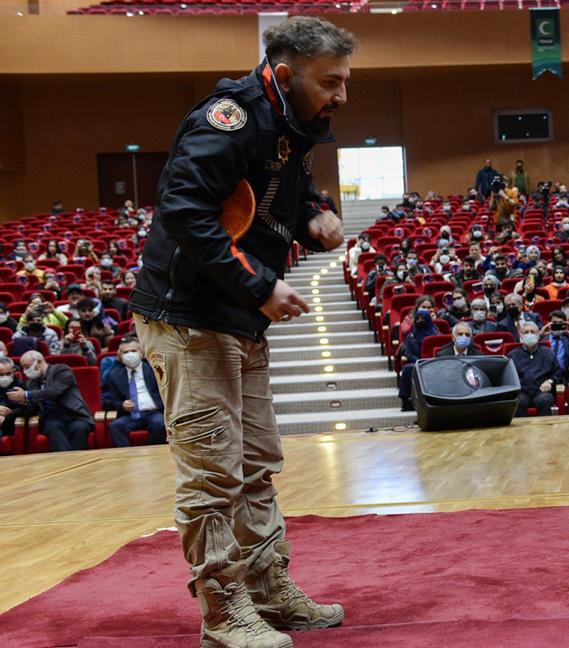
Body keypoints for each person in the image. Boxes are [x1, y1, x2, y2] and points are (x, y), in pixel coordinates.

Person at [128, 17, 353, 645]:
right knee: (211, 474)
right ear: (284, 74)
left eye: (344, 81)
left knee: (256, 464)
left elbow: (288, 192)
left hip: (239, 320)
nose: (341, 96)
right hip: (190, 318)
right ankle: (224, 614)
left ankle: (268, 588)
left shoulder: (294, 125)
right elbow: (183, 210)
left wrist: (316, 215)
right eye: (330, 82)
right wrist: (260, 285)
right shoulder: (230, 116)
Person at [10, 351, 94, 451]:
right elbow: (32, 409)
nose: (24, 371)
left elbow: (54, 391)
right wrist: (24, 401)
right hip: (51, 417)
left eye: (27, 366)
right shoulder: (31, 384)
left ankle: (75, 462)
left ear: (39, 361)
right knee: (52, 427)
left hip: (74, 414)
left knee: (80, 428)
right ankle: (67, 461)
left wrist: (27, 394)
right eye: (23, 368)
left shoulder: (61, 370)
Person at [102, 338, 167, 447]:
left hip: (153, 413)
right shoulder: (114, 375)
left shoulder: (153, 370)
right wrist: (122, 405)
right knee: (115, 426)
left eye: (133, 351)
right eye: (126, 352)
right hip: (131, 415)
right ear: (120, 356)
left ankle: (154, 456)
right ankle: (126, 459)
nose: (130, 355)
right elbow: (114, 401)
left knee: (159, 423)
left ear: (141, 353)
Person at [507, 322, 559, 416]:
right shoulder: (512, 355)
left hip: (541, 392)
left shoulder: (548, 353)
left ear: (538, 335)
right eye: (526, 332)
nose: (529, 334)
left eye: (532, 332)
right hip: (522, 392)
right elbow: (508, 377)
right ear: (521, 336)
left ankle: (547, 430)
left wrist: (550, 381)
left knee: (545, 400)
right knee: (517, 402)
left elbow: (557, 373)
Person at [0, 357, 34, 440]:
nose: (5, 377)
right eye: (1, 374)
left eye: (8, 374)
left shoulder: (22, 386)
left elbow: (30, 409)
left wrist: (8, 413)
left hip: (10, 424)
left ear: (13, 371)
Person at [540, 310, 569, 380]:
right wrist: (539, 336)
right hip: (546, 376)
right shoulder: (542, 340)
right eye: (554, 323)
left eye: (560, 323)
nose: (557, 325)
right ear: (548, 324)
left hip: (565, 376)